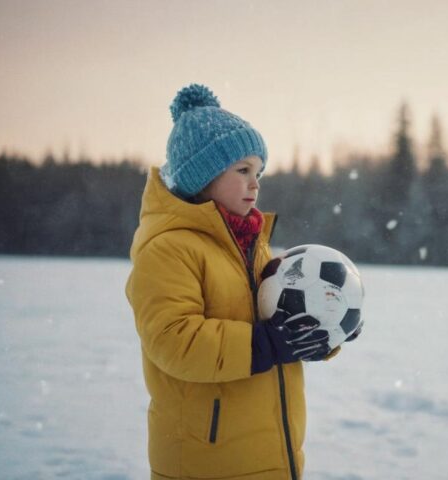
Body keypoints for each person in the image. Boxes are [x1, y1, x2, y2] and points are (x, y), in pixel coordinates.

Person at [126, 84, 355, 480]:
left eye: (259, 172)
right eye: (243, 170)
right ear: (203, 177)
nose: (256, 183)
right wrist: (264, 344)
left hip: (272, 459)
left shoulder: (254, 246)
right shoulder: (168, 249)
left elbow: (278, 323)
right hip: (207, 463)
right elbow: (174, 340)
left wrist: (327, 326)